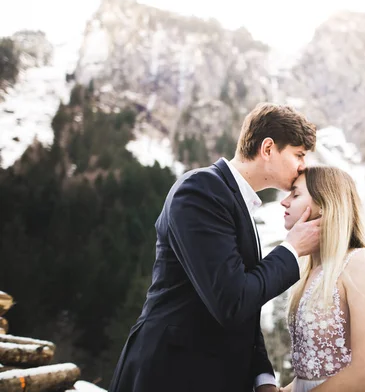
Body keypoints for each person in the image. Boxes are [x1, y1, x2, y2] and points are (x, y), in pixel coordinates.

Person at [108, 103, 321, 392]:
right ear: (268, 148)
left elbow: (246, 307)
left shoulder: (235, 201)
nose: (303, 166)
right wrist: (292, 250)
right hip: (169, 376)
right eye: (298, 154)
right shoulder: (200, 191)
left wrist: (263, 378)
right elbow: (231, 301)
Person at [278, 166, 365, 392]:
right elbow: (309, 375)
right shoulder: (308, 271)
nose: (284, 202)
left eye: (295, 194)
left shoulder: (359, 263)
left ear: (324, 205)